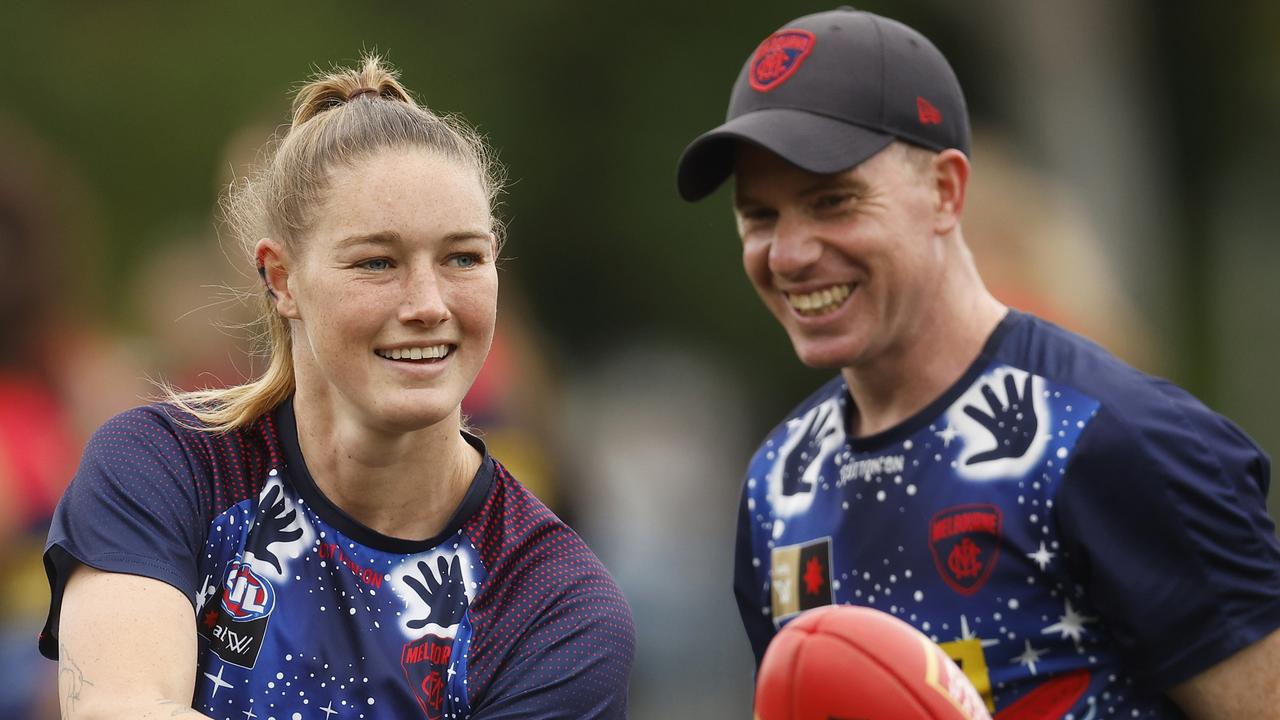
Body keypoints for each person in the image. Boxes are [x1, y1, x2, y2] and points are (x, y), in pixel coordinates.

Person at [675, 8, 1280, 719]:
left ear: (945, 191)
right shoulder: (778, 484)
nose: (790, 254)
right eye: (761, 216)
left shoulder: (1116, 440)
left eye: (832, 201)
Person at [40, 55, 634, 719]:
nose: (428, 303)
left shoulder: (554, 601)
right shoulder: (165, 466)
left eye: (462, 257)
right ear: (282, 279)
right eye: (377, 262)